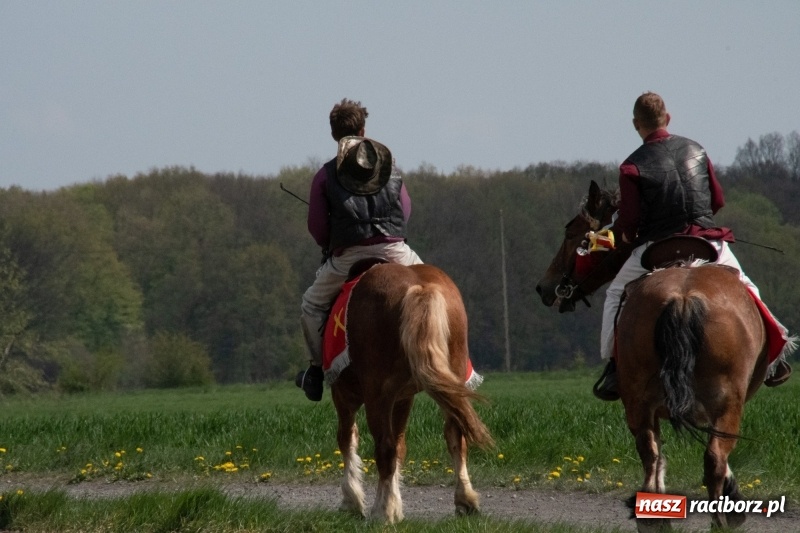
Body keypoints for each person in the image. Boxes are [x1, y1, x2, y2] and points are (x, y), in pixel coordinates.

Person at [593, 91, 793, 401]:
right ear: (668, 118)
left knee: (614, 294)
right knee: (748, 289)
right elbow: (717, 200)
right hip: (707, 242)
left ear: (636, 124)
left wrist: (618, 235)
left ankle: (613, 366)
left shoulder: (630, 168)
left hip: (658, 247)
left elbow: (629, 223)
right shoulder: (697, 150)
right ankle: (775, 358)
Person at [295, 98, 423, 401]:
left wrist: (332, 244)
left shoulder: (325, 175)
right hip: (396, 252)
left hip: (348, 256)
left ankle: (315, 371)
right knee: (437, 291)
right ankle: (454, 364)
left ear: (333, 134)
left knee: (311, 307)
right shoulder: (389, 168)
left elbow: (317, 228)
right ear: (364, 130)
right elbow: (405, 209)